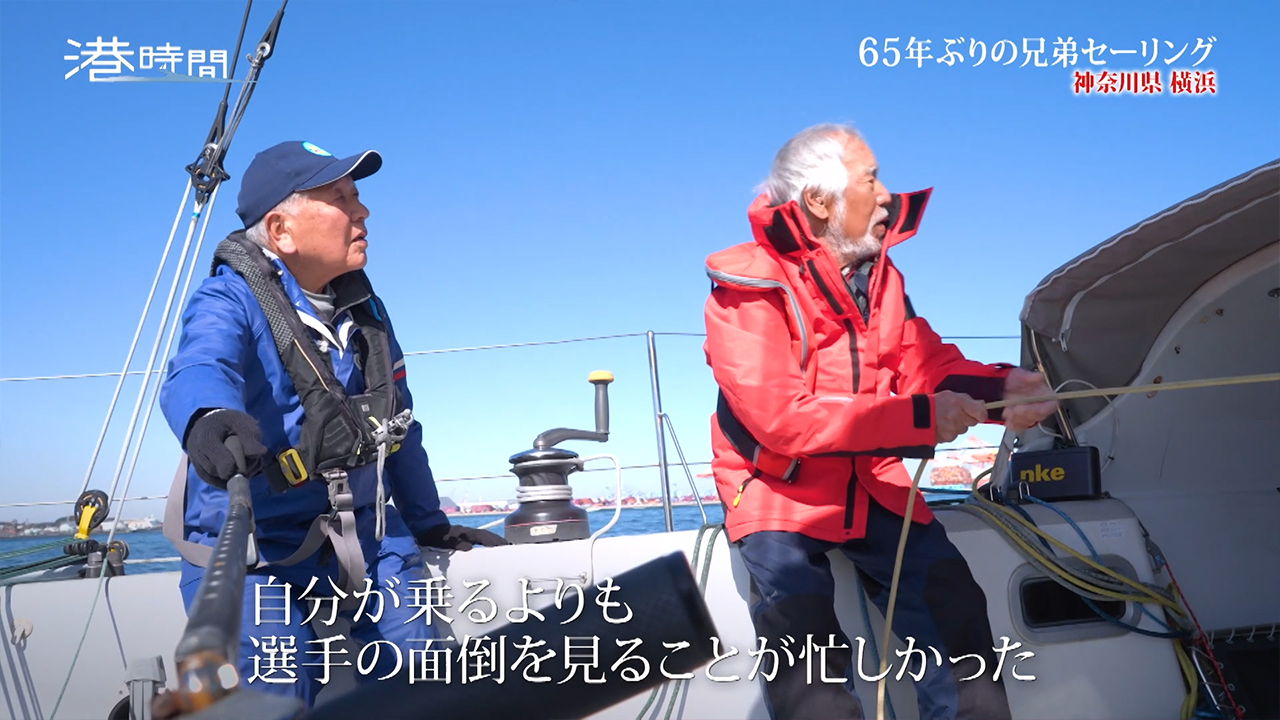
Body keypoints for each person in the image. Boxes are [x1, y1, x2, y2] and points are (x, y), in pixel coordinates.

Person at [702, 123, 1058, 720]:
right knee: (806, 655)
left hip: (874, 481)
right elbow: (781, 419)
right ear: (819, 200)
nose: (887, 194)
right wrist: (921, 418)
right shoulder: (749, 287)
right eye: (870, 179)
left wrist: (998, 392)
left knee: (955, 608)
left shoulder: (883, 278)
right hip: (777, 491)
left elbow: (924, 362)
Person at [160, 140, 507, 707]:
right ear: (281, 231)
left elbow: (398, 428)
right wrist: (209, 417)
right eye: (341, 199)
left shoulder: (367, 314)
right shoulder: (228, 299)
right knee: (275, 691)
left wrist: (430, 524)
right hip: (252, 548)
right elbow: (200, 365)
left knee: (421, 682)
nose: (362, 210)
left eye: (357, 195)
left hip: (364, 534)